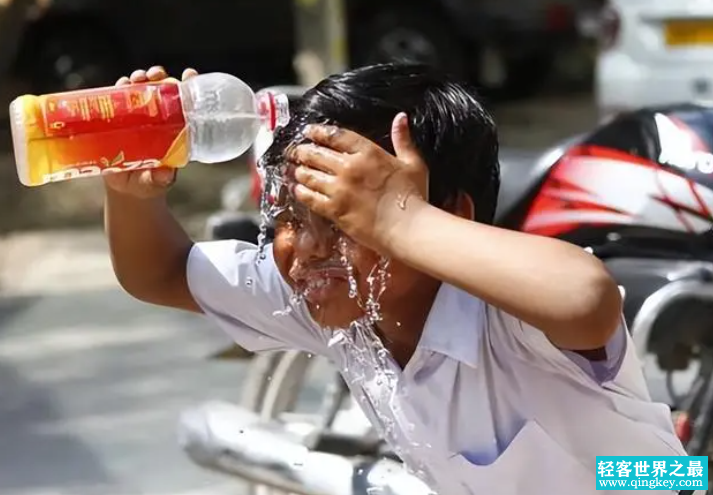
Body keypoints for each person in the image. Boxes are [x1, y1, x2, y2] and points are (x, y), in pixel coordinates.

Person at [105, 63, 686, 495]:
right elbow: (160, 273)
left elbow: (587, 296)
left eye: (346, 219)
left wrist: (399, 224)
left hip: (648, 479)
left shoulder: (502, 311)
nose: (306, 247)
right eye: (289, 217)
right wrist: (128, 196)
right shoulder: (331, 299)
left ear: (446, 216)